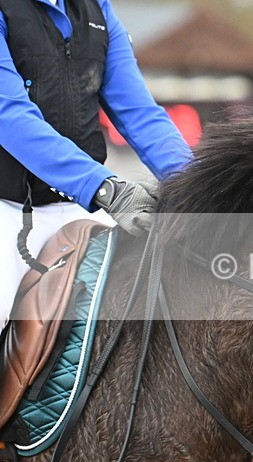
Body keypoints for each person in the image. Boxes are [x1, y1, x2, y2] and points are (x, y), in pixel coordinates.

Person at [0, 0, 193, 330]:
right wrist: (106, 189)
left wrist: (197, 184)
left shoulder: (98, 9)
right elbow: (10, 116)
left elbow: (140, 113)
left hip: (84, 210)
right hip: (9, 211)